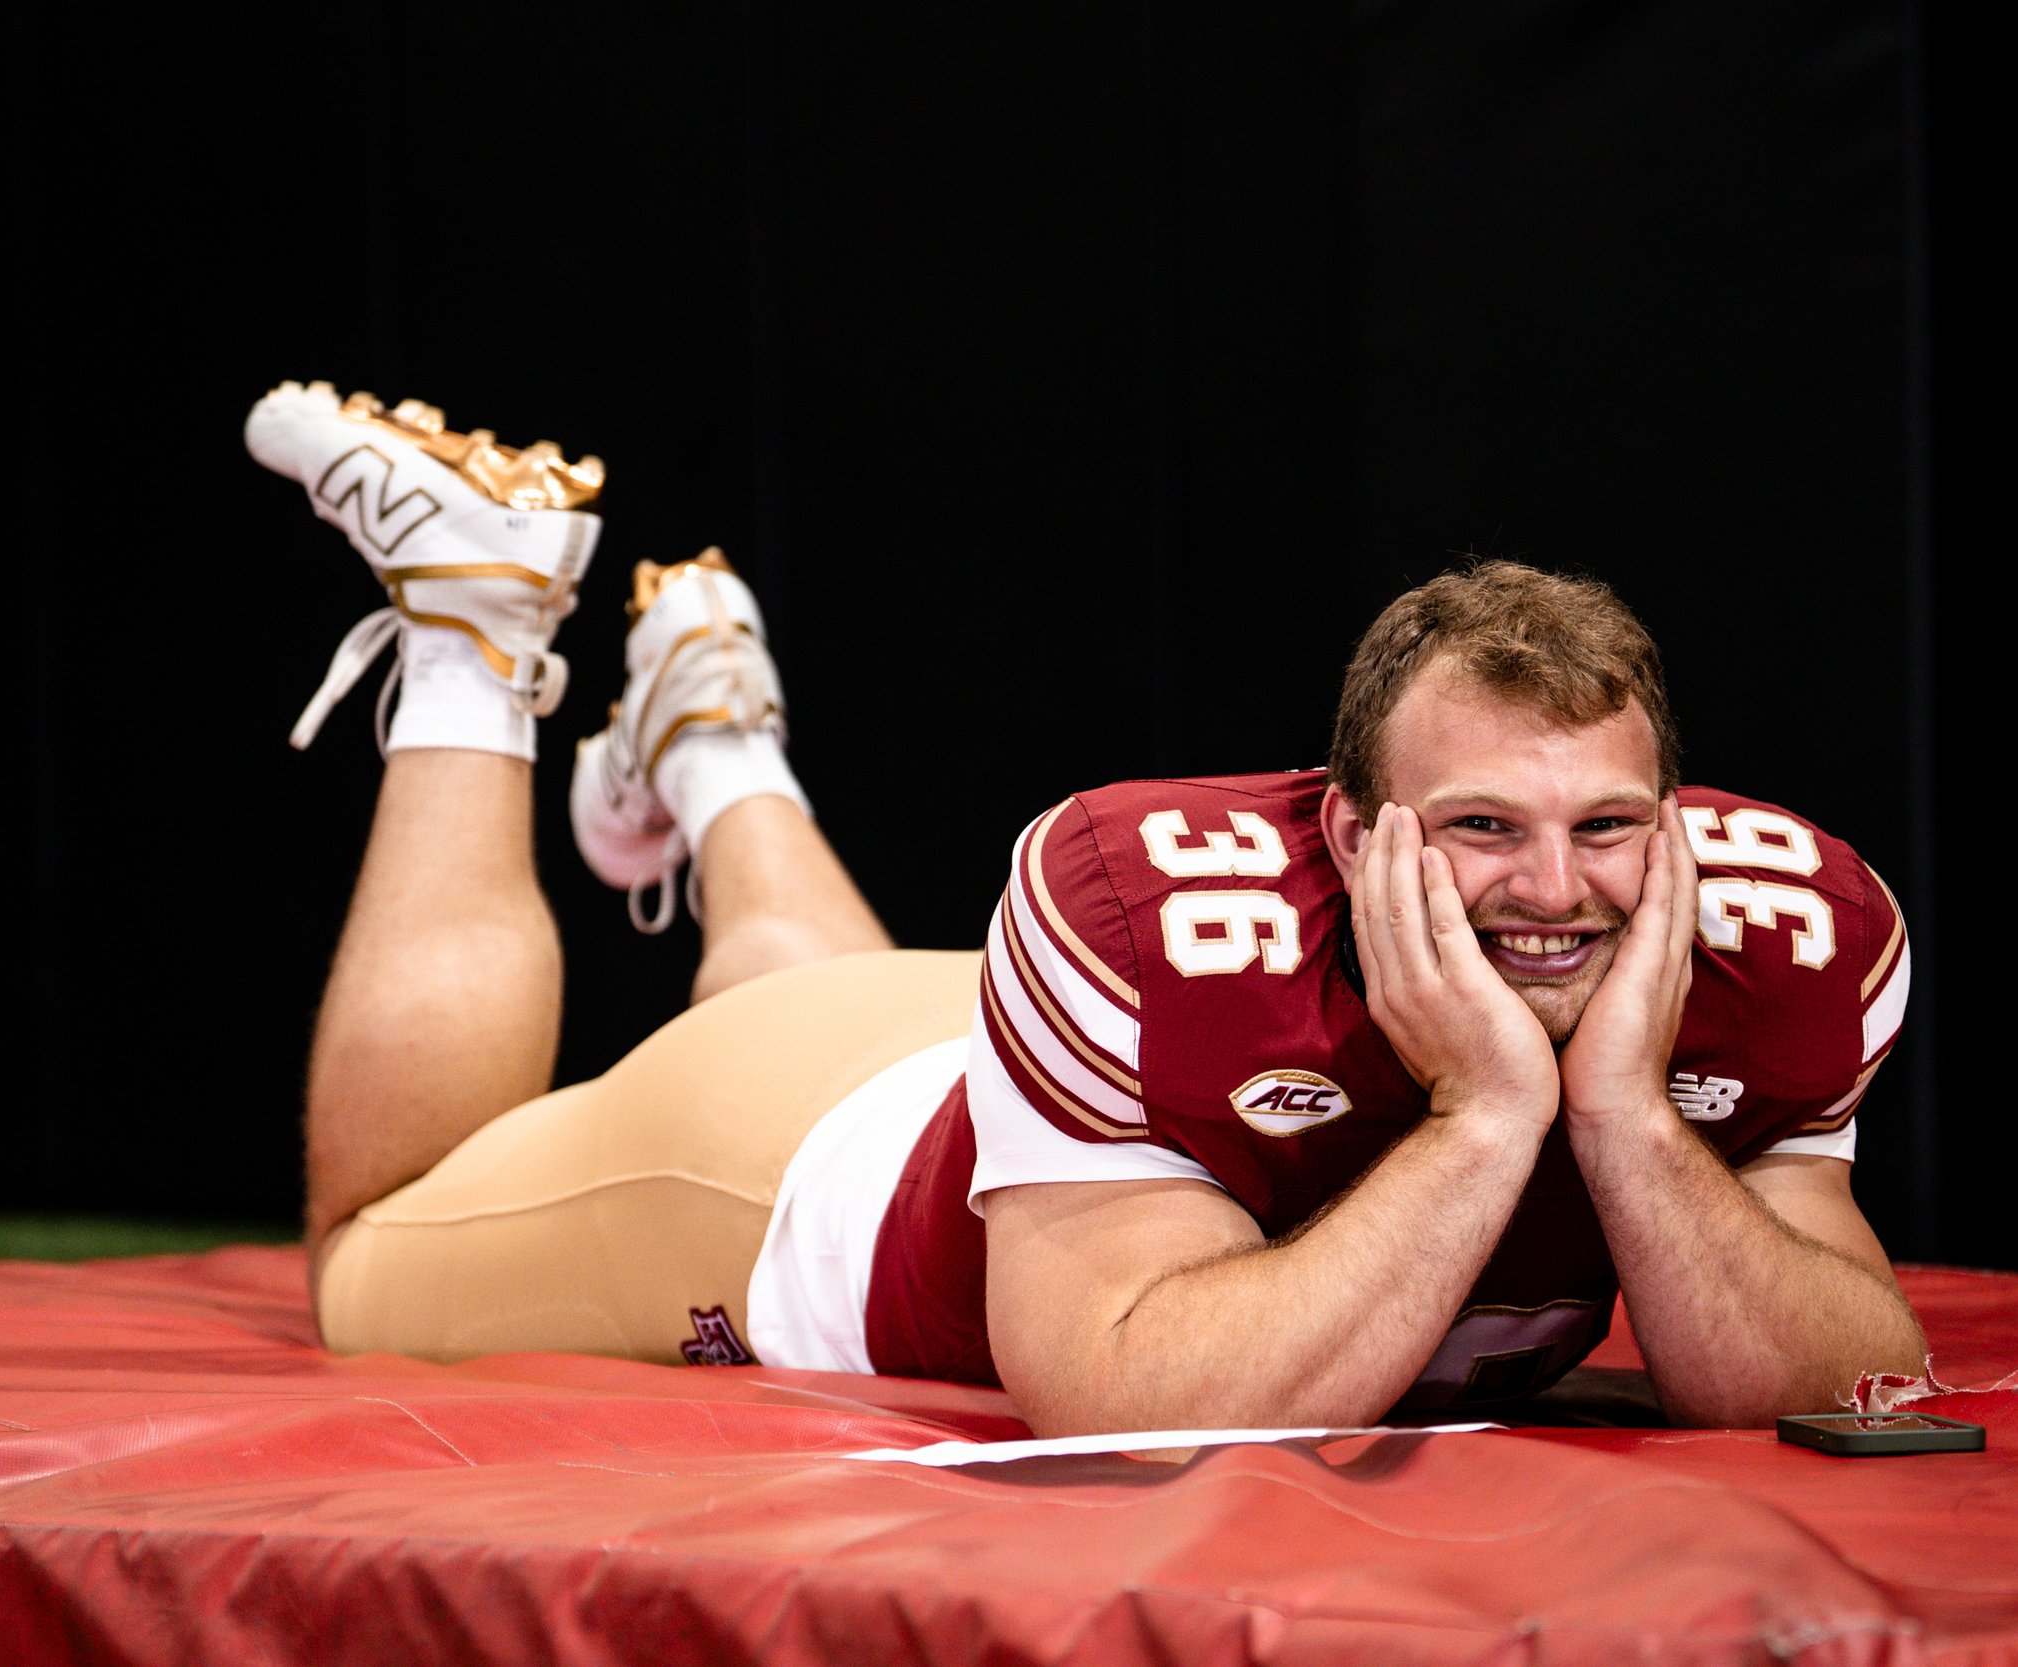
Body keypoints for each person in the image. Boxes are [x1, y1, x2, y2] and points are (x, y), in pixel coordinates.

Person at [245, 381, 1927, 1433]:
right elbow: (1131, 1396)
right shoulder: (1134, 909)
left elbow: (1849, 1368)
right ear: (1347, 838)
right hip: (778, 1164)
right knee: (369, 1258)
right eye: (1481, 827)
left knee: (803, 980)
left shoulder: (1776, 935)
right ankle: (475, 629)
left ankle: (714, 733)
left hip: (1041, 1088)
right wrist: (1492, 1116)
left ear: (1677, 819)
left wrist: (1625, 1115)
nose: (1557, 891)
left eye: (1607, 826)